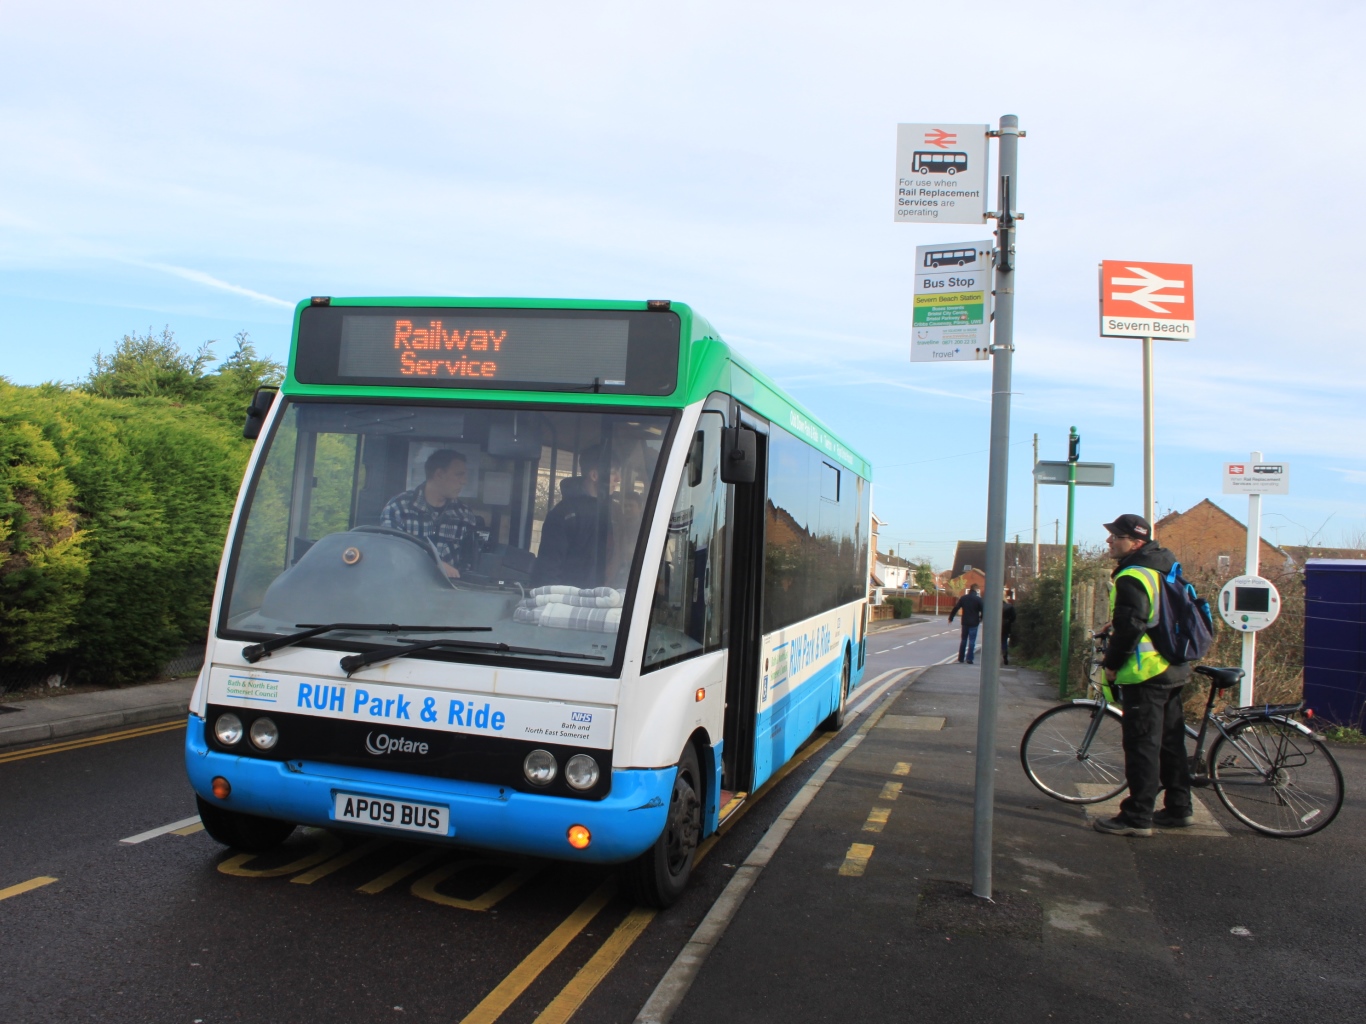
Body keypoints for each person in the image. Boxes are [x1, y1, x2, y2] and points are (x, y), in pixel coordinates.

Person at [1093, 513, 1194, 838]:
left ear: (1135, 542)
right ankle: (1179, 808)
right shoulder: (1163, 567)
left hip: (1146, 673)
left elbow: (1132, 625)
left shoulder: (1133, 575)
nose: (1109, 540)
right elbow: (1151, 615)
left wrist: (1111, 662)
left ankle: (1137, 816)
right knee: (1170, 742)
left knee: (1142, 745)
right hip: (1174, 666)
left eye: (1116, 536)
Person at [379, 449, 481, 577]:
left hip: (450, 594)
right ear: (439, 474)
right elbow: (390, 552)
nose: (464, 481)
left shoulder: (465, 516)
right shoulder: (399, 507)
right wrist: (433, 564)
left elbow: (470, 565)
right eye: (459, 474)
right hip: (404, 588)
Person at [532, 443, 617, 588]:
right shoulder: (564, 514)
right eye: (614, 473)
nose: (619, 479)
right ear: (594, 475)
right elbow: (549, 570)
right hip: (572, 603)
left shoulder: (611, 512)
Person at [948, 583, 983, 665]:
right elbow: (983, 610)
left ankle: (961, 658)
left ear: (970, 589)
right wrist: (981, 618)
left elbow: (956, 607)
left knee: (963, 640)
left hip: (965, 622)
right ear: (977, 590)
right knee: (972, 641)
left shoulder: (963, 598)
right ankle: (969, 659)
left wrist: (951, 617)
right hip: (974, 622)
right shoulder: (978, 599)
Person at [1001, 588, 1016, 665]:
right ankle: (1005, 656)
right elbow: (1013, 617)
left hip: (995, 627)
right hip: (1005, 626)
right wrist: (1008, 621)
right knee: (1004, 642)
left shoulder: (994, 606)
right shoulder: (1009, 606)